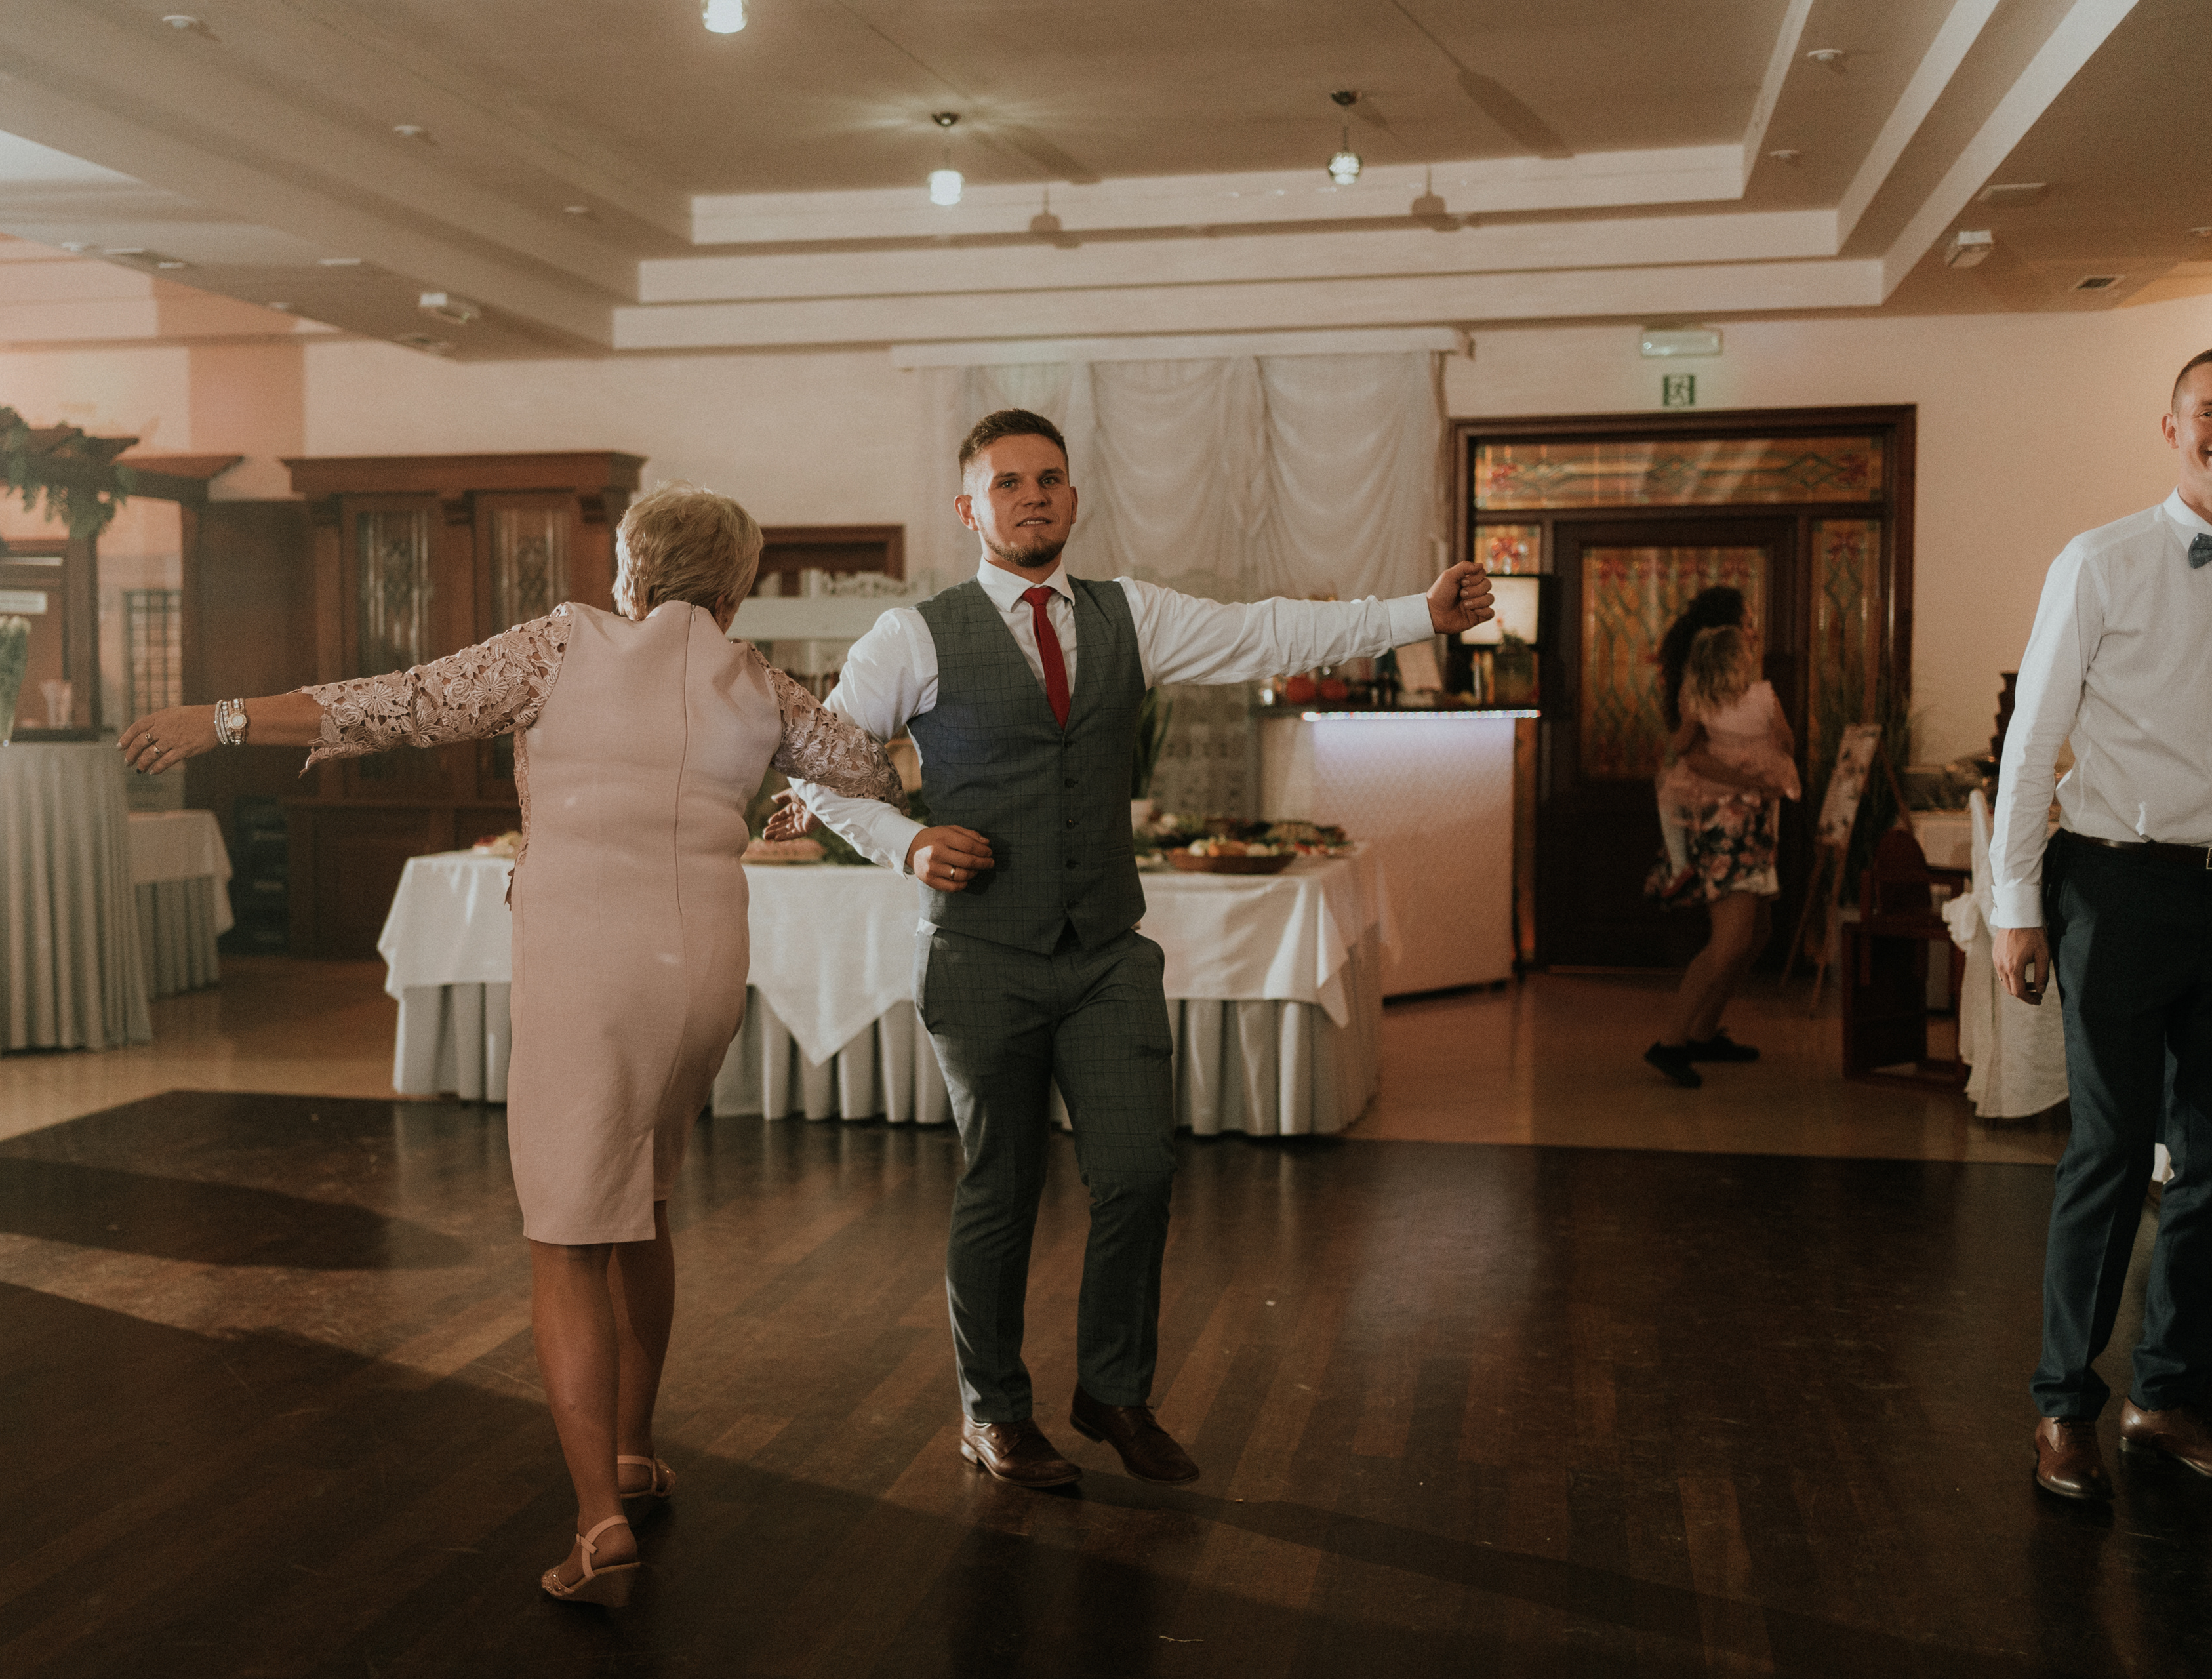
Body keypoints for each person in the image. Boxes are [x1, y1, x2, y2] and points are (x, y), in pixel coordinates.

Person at [123, 485, 902, 1599]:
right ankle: (632, 1454)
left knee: (569, 1237)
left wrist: (227, 719)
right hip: (705, 972)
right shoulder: (762, 685)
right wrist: (789, 801)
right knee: (645, 1200)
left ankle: (597, 1525)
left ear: (632, 571)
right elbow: (870, 767)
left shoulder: (562, 644)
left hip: (590, 963)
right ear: (736, 588)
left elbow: (399, 704)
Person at [782, 409, 1494, 1489]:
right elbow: (819, 767)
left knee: (1139, 1175)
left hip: (1108, 953)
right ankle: (993, 1411)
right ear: (969, 508)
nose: (1033, 497)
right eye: (1009, 482)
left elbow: (1267, 633)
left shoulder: (1130, 614)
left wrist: (1416, 614)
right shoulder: (912, 636)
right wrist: (908, 842)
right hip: (981, 956)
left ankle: (1113, 1392)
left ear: (1074, 498)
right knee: (1002, 1187)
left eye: (1050, 479)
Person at [2000, 349, 2212, 1505]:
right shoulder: (2101, 560)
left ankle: (2165, 1395)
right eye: (2209, 412)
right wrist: (2015, 907)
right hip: (2118, 890)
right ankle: (2063, 1406)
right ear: (2171, 427)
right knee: (2113, 1147)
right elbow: (2034, 741)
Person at [1643, 602, 1801, 1088]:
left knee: (1757, 934)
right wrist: (1755, 777)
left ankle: (1704, 1031)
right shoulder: (1729, 698)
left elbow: (1687, 749)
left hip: (1750, 827)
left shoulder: (1715, 699)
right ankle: (1671, 1041)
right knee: (1730, 940)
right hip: (1729, 831)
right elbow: (1696, 758)